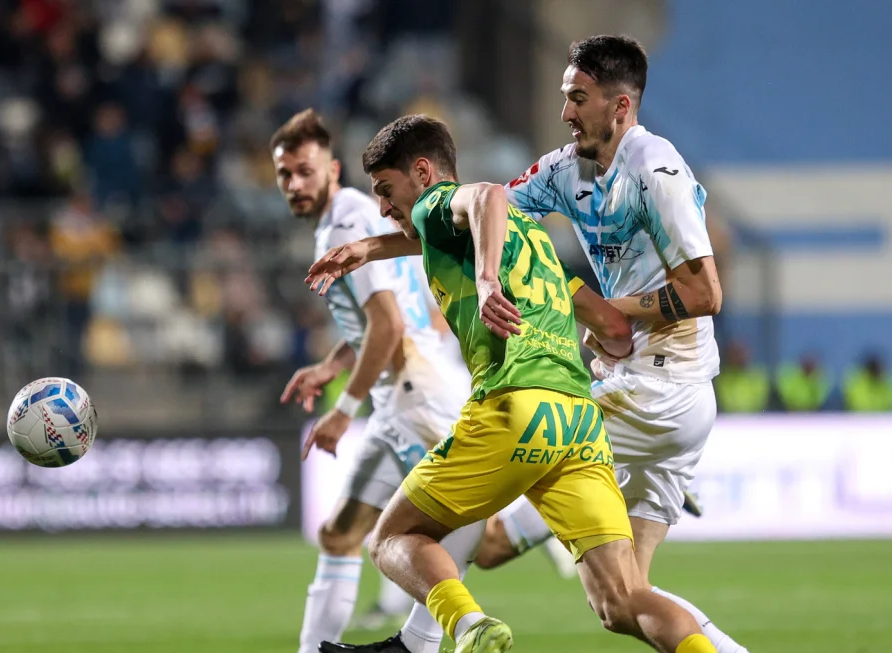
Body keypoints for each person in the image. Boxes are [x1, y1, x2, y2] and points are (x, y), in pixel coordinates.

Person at [306, 114, 717, 653]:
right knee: (624, 600)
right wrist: (370, 248)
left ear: (423, 173)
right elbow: (615, 330)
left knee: (391, 538)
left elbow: (487, 196)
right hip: (579, 421)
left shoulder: (435, 204)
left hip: (513, 408)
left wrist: (486, 281)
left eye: (386, 190)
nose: (382, 206)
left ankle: (469, 628)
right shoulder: (535, 241)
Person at [271, 110, 577, 653]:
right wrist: (332, 365)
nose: (294, 184)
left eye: (304, 171)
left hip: (415, 394)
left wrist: (343, 410)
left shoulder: (347, 220)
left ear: (332, 170)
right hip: (402, 394)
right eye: (284, 174)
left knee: (471, 537)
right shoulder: (360, 216)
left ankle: (450, 621)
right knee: (342, 534)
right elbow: (388, 318)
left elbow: (389, 324)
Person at [501, 35, 747, 652]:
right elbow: (488, 216)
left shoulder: (656, 169)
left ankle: (422, 634)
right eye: (565, 96)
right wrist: (386, 240)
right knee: (623, 602)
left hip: (661, 390)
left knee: (496, 500)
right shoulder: (568, 169)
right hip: (645, 389)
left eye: (578, 98)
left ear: (620, 105)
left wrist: (602, 308)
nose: (565, 112)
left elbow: (705, 292)